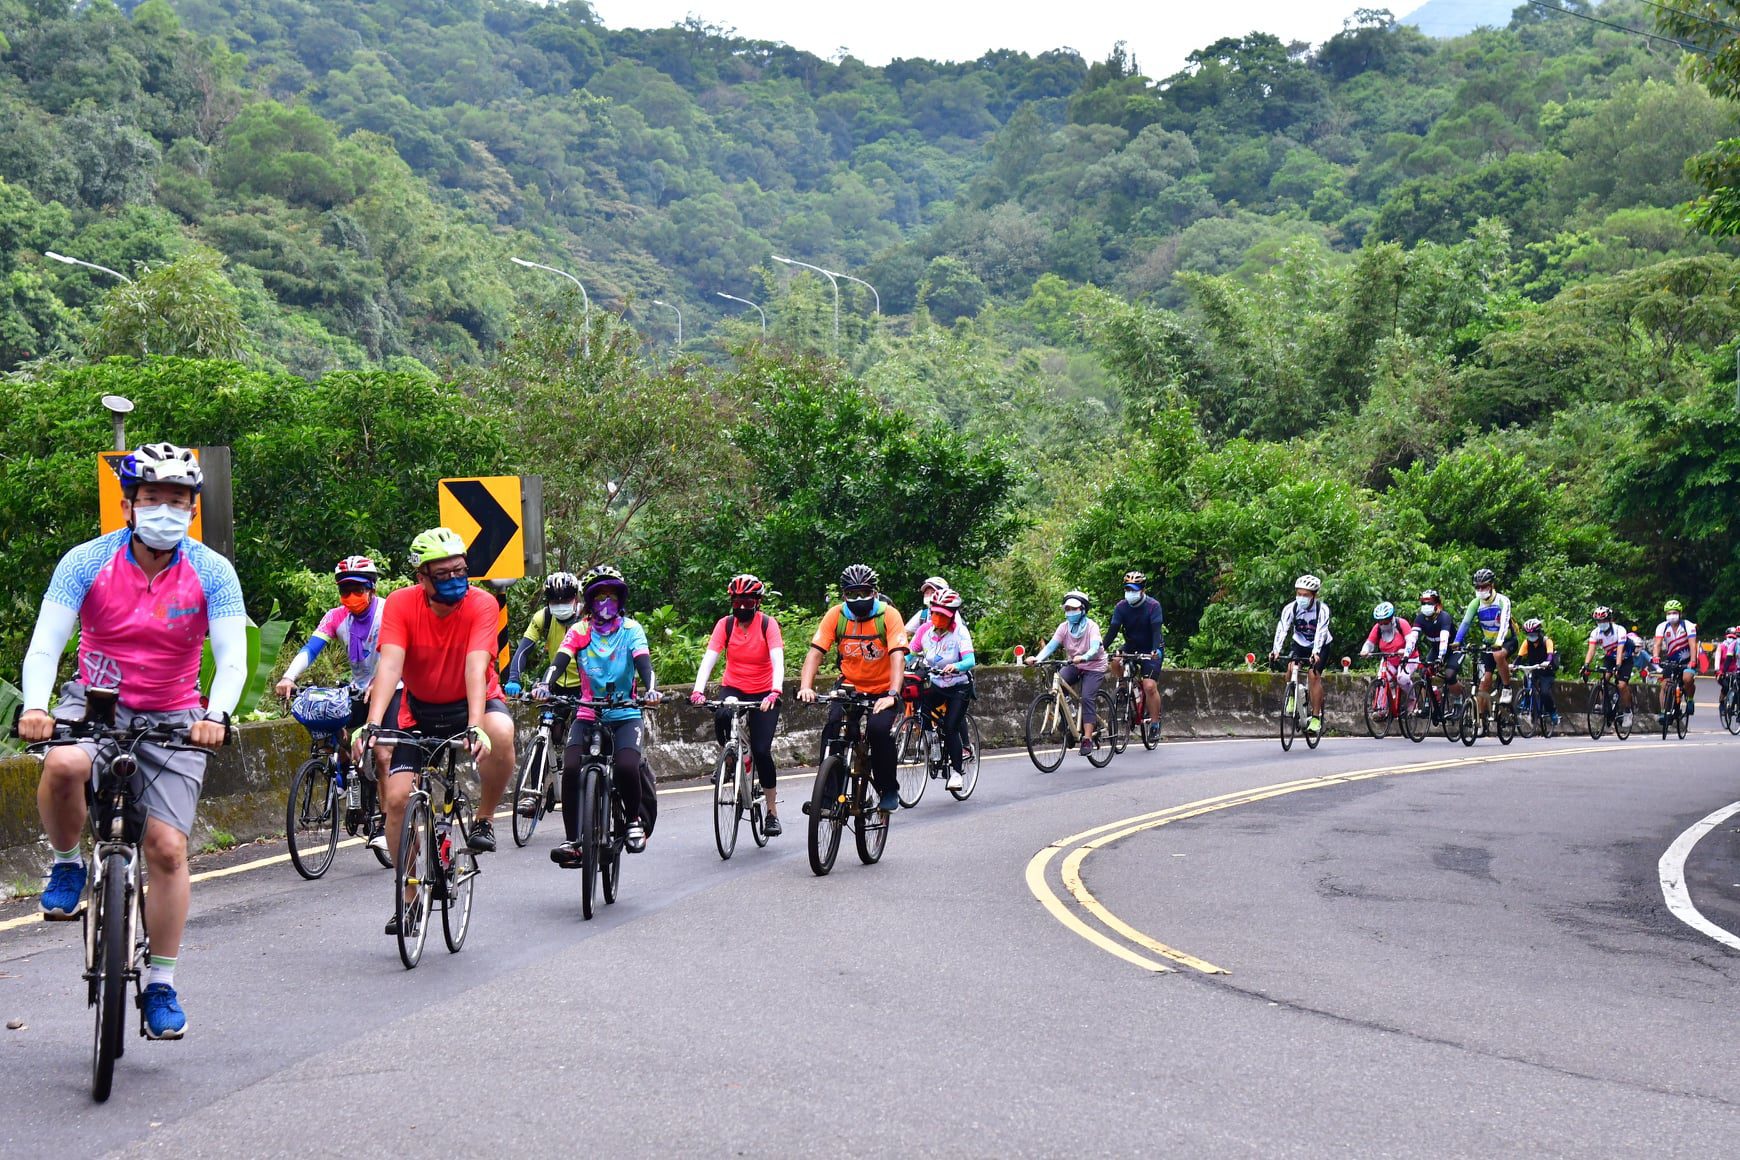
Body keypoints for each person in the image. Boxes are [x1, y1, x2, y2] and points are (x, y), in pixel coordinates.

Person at [17, 443, 245, 1040]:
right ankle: (67, 864)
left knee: (168, 850)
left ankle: (163, 983)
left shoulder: (213, 571)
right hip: (94, 702)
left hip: (175, 715)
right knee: (63, 763)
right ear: (128, 506)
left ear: (193, 510)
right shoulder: (85, 562)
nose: (165, 510)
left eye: (178, 501)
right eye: (152, 500)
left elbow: (232, 658)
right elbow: (46, 643)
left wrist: (215, 714)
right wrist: (38, 707)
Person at [357, 527, 517, 936]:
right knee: (395, 800)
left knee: (501, 731)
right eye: (443, 574)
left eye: (460, 570)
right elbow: (390, 665)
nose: (454, 580)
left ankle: (483, 818)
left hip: (470, 702)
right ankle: (409, 897)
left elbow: (475, 666)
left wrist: (475, 726)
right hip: (419, 712)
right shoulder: (400, 604)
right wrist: (373, 725)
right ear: (421, 577)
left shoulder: (481, 604)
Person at [538, 565, 662, 859]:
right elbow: (559, 660)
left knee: (626, 766)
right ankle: (572, 841)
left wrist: (652, 690)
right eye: (600, 597)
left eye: (612, 597)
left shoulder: (632, 630)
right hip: (588, 712)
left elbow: (644, 664)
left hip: (626, 713)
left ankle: (632, 821)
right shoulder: (580, 630)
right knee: (569, 768)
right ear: (590, 602)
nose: (606, 604)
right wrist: (545, 683)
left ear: (620, 600)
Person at [276, 555, 391, 852]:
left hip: (392, 686)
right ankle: (343, 774)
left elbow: (396, 653)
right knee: (330, 725)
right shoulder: (336, 616)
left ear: (372, 589)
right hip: (357, 689)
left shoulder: (388, 613)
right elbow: (311, 649)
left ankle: (384, 822)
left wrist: (380, 680)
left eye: (358, 590)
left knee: (380, 753)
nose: (351, 597)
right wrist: (289, 676)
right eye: (345, 591)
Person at [798, 564, 907, 815]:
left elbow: (898, 656)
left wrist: (892, 694)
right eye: (852, 594)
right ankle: (827, 797)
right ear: (844, 595)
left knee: (880, 732)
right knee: (833, 730)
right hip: (850, 687)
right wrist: (806, 687)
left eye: (864, 593)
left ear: (875, 592)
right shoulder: (836, 616)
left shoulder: (888, 616)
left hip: (883, 690)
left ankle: (888, 788)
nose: (859, 599)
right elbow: (815, 654)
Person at [690, 574, 786, 835]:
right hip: (734, 685)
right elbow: (710, 658)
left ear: (758, 602)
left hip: (764, 691)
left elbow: (778, 660)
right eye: (737, 601)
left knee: (762, 750)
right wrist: (698, 690)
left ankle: (771, 811)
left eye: (748, 601)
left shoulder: (768, 624)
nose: (742, 607)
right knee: (722, 715)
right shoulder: (726, 624)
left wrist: (774, 692)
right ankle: (730, 757)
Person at [1026, 590, 1109, 756]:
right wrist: (1037, 658)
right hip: (1074, 664)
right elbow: (1051, 646)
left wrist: (1084, 657)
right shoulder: (1064, 628)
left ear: (1083, 609)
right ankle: (1069, 724)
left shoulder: (1091, 626)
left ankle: (1086, 739)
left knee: (1086, 697)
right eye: (1067, 608)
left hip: (1094, 665)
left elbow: (1094, 648)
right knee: (1058, 687)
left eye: (1074, 608)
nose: (1070, 612)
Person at [909, 587, 976, 790]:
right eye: (934, 612)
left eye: (942, 614)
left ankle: (957, 772)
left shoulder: (960, 632)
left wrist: (956, 666)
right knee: (918, 700)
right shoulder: (924, 631)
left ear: (952, 616)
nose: (936, 617)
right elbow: (909, 654)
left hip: (958, 686)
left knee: (950, 727)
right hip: (936, 683)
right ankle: (932, 743)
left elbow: (970, 660)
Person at [1103, 570, 1164, 743]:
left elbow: (1156, 632)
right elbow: (1112, 631)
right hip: (1131, 645)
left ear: (1142, 590)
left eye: (1134, 589)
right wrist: (1100, 649)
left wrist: (1154, 651)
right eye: (1127, 589)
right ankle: (1125, 688)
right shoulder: (1121, 607)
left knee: (1150, 686)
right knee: (1115, 661)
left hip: (1151, 647)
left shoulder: (1153, 606)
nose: (1130, 592)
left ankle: (1154, 723)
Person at [1269, 574, 1331, 735]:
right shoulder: (1291, 608)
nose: (1301, 598)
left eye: (1305, 595)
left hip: (1320, 644)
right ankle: (1291, 696)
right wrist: (1276, 650)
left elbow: (1321, 632)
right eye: (1299, 594)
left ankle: (1316, 717)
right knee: (1291, 667)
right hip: (1300, 642)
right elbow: (1282, 628)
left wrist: (1315, 652)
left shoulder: (1322, 610)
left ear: (1314, 596)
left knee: (1313, 675)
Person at [1453, 568, 1514, 722]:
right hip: (1489, 643)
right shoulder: (1476, 603)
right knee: (1484, 683)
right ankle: (1479, 719)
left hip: (1506, 639)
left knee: (1498, 654)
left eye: (1484, 586)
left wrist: (1499, 642)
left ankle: (1507, 687)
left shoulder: (1502, 600)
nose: (1480, 590)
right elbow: (1465, 623)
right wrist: (1457, 641)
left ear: (1492, 585)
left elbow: (1504, 624)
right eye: (1477, 587)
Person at [1582, 606, 1639, 729]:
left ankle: (1628, 711)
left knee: (1621, 685)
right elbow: (1591, 650)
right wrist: (1586, 665)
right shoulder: (1595, 633)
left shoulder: (1620, 630)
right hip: (1610, 658)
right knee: (1604, 680)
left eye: (1603, 621)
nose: (1601, 624)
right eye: (1598, 621)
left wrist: (1618, 666)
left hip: (1625, 658)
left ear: (1609, 620)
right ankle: (1605, 705)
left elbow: (1620, 650)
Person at [1358, 602, 1418, 707]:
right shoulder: (1377, 628)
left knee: (1402, 679)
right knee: (1381, 679)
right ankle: (1381, 708)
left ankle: (1412, 699)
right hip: (1389, 659)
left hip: (1408, 658)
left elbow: (1411, 641)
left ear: (1391, 618)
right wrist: (1365, 651)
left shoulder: (1402, 623)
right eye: (1380, 621)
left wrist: (1405, 652)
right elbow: (1369, 643)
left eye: (1385, 621)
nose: (1382, 624)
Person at [1413, 589, 1459, 719]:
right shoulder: (1420, 618)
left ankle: (1458, 700)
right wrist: (1406, 655)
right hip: (1436, 649)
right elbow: (1412, 637)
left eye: (1429, 603)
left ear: (1438, 605)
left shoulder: (1444, 617)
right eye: (1423, 603)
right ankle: (1427, 704)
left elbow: (1444, 639)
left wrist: (1440, 658)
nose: (1426, 606)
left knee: (1450, 676)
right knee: (1424, 674)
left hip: (1453, 649)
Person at [1652, 600, 1700, 719]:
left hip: (1687, 660)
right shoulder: (1662, 627)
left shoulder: (1688, 625)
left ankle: (1690, 699)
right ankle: (1664, 712)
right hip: (1671, 660)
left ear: (1680, 613)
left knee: (1687, 679)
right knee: (1664, 685)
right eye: (1669, 613)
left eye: (1674, 612)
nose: (1671, 615)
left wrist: (1693, 660)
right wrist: (1656, 657)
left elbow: (1693, 644)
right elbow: (1657, 644)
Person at [1511, 617, 1559, 725]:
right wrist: (1514, 666)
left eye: (1533, 634)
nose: (1531, 637)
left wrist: (1546, 663)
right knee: (1526, 680)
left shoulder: (1547, 641)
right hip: (1534, 669)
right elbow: (1519, 657)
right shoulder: (1526, 643)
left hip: (1546, 672)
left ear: (1539, 633)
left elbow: (1550, 655)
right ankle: (1527, 700)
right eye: (1528, 634)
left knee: (1545, 693)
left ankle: (1552, 712)